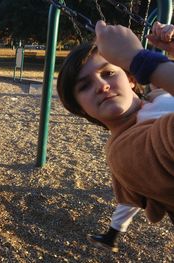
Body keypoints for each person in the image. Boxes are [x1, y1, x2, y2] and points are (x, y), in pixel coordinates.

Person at [56, 20, 174, 244]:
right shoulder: (125, 151)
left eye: (108, 73)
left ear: (130, 79)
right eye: (85, 86)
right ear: (81, 108)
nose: (102, 85)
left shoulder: (155, 98)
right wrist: (141, 61)